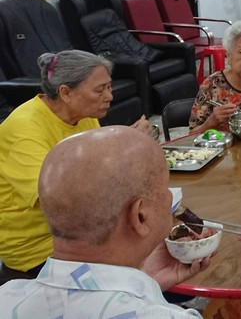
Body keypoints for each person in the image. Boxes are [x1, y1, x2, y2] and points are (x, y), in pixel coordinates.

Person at [0, 126, 241, 318]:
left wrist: (146, 281)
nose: (171, 197)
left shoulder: (7, 297)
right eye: (164, 189)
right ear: (140, 216)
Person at [0, 50, 151, 285]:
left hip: (85, 228)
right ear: (65, 92)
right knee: (143, 265)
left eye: (109, 87)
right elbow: (58, 200)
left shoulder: (83, 115)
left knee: (160, 237)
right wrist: (125, 147)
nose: (109, 96)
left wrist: (127, 142)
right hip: (39, 247)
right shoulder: (24, 130)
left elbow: (98, 165)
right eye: (99, 90)